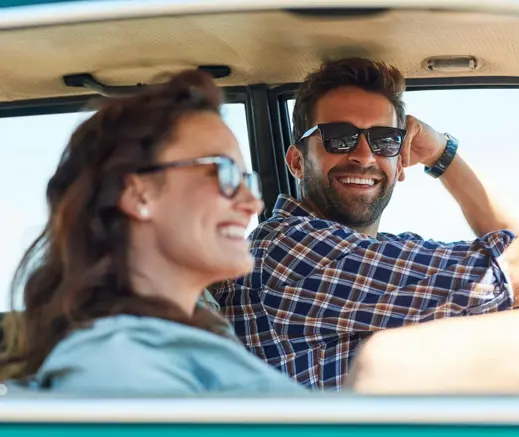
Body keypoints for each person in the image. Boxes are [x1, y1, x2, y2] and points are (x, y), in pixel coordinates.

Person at [213, 57, 519, 391]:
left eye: (384, 140)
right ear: (296, 160)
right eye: (338, 138)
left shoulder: (375, 252)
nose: (363, 154)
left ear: (400, 163)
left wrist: (442, 155)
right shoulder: (296, 251)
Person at [0, 70, 304, 395]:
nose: (253, 202)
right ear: (139, 195)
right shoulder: (117, 365)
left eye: (248, 179)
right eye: (223, 172)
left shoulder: (188, 339)